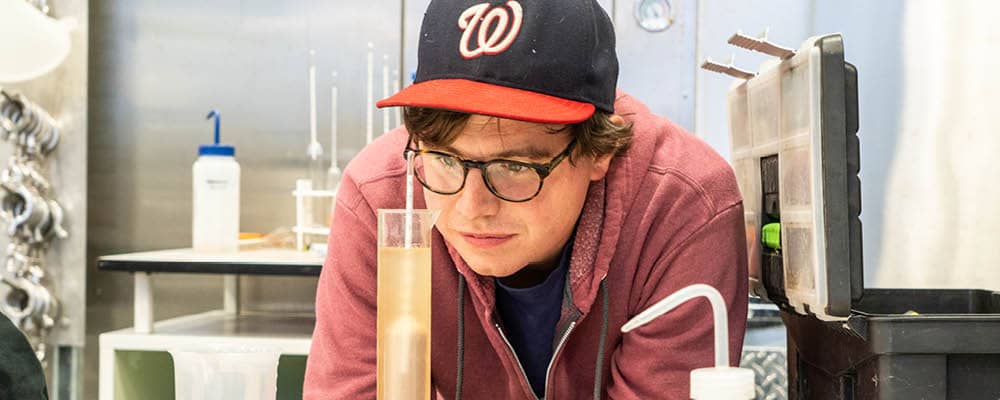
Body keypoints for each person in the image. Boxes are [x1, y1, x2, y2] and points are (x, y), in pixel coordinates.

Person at [304, 0, 748, 398]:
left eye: (515, 168)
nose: (472, 208)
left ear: (599, 152)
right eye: (445, 160)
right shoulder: (378, 196)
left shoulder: (683, 205)